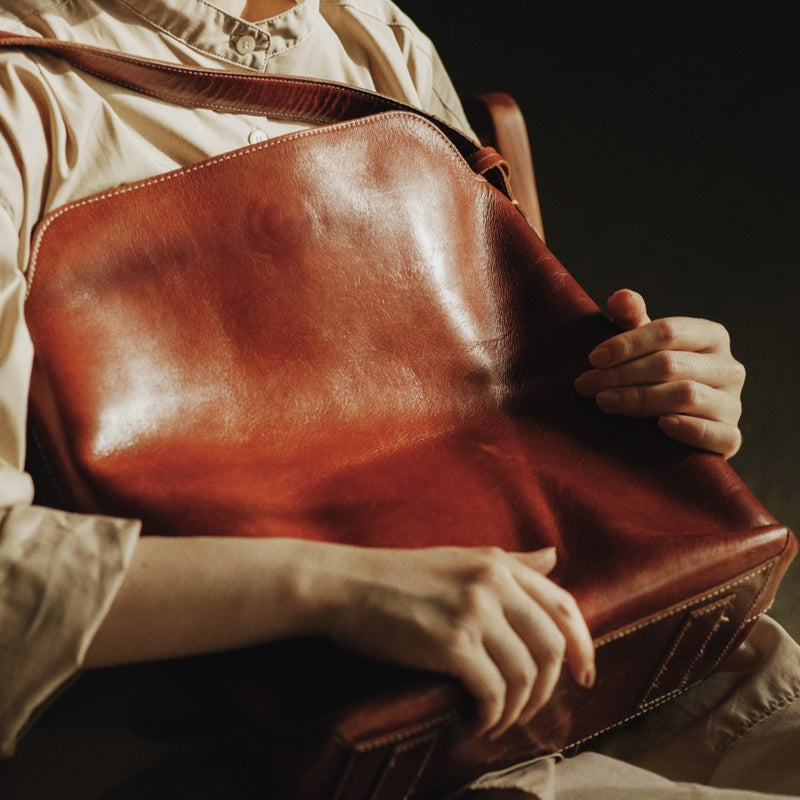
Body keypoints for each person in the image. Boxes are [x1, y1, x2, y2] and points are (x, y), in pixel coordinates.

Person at [0, 1, 797, 798]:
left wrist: (646, 390)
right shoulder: (21, 95)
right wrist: (337, 590)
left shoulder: (368, 29)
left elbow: (486, 375)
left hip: (632, 648)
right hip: (297, 742)